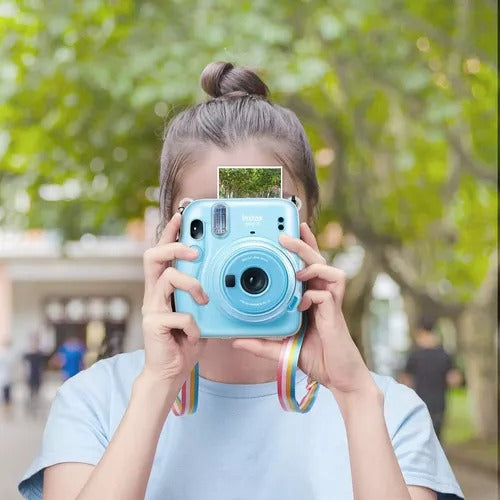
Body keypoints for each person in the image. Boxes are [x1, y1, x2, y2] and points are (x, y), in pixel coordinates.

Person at [19, 62, 464, 500]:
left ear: (308, 227)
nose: (244, 249)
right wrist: (159, 384)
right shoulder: (96, 400)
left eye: (268, 220)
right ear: (169, 231)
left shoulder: (386, 409)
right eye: (218, 222)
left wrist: (354, 397)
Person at [400, 316, 463, 440]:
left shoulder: (414, 355)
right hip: (439, 403)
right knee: (437, 439)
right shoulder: (445, 354)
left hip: (418, 403)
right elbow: (455, 380)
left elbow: (405, 381)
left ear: (420, 332)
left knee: (421, 439)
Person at [23, 334, 46, 415]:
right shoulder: (27, 354)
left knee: (37, 392)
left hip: (38, 375)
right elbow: (24, 366)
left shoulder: (40, 353)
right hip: (30, 375)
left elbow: (42, 366)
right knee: (30, 392)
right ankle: (30, 407)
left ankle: (36, 407)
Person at [0, 340, 15, 418]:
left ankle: (6, 410)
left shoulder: (9, 353)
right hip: (4, 377)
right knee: (5, 395)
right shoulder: (4, 353)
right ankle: (5, 410)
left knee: (7, 395)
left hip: (7, 378)